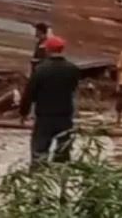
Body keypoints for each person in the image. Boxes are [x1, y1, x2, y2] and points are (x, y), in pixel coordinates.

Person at [20, 36, 80, 166]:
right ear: (62, 49)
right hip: (65, 116)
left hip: (44, 117)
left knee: (39, 152)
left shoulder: (41, 70)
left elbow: (29, 93)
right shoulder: (72, 69)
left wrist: (23, 112)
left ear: (48, 50)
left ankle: (38, 180)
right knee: (63, 153)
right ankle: (60, 180)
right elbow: (74, 90)